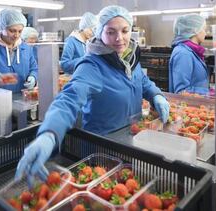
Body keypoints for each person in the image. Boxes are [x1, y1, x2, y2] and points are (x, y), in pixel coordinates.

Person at [15, 5, 170, 182]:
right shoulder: (92, 66)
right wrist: (49, 133)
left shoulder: (129, 58)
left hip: (131, 141)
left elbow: (143, 82)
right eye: (111, 32)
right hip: (102, 148)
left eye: (125, 31)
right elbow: (69, 99)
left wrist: (156, 95)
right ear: (99, 32)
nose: (119, 38)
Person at [169, 14, 209, 94]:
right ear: (195, 30)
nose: (206, 33)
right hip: (188, 105)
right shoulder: (183, 54)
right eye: (204, 29)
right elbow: (182, 91)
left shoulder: (192, 51)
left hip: (197, 103)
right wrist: (208, 93)